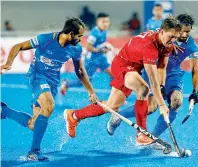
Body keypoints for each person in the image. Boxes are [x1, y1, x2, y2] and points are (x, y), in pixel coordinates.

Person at [63, 16, 182, 145]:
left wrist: (162, 86)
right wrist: (163, 106)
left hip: (134, 68)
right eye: (171, 36)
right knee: (143, 89)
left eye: (175, 37)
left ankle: (74, 115)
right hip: (122, 65)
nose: (173, 40)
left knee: (111, 106)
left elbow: (162, 67)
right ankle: (141, 134)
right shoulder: (150, 46)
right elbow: (153, 81)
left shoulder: (167, 43)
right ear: (162, 31)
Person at [0, 17, 97, 161]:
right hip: (37, 76)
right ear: (70, 34)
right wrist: (8, 63)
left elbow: (80, 71)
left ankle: (4, 110)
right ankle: (34, 152)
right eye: (79, 36)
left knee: (34, 124)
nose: (80, 39)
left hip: (52, 82)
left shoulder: (76, 49)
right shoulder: (46, 39)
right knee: (49, 105)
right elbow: (18, 46)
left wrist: (91, 91)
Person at [107, 14, 198, 143]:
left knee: (177, 102)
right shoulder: (163, 35)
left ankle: (152, 137)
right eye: (182, 31)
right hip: (153, 70)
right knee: (151, 107)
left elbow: (196, 69)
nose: (184, 35)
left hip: (173, 75)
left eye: (188, 32)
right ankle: (119, 115)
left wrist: (195, 91)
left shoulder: (192, 45)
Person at [61, 13, 113, 95]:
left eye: (107, 21)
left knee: (113, 73)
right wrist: (101, 50)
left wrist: (107, 46)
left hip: (101, 58)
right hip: (92, 60)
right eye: (103, 21)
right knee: (83, 82)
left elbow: (101, 44)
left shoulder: (104, 31)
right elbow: (88, 47)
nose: (105, 24)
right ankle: (66, 84)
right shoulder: (94, 33)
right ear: (98, 22)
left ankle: (115, 95)